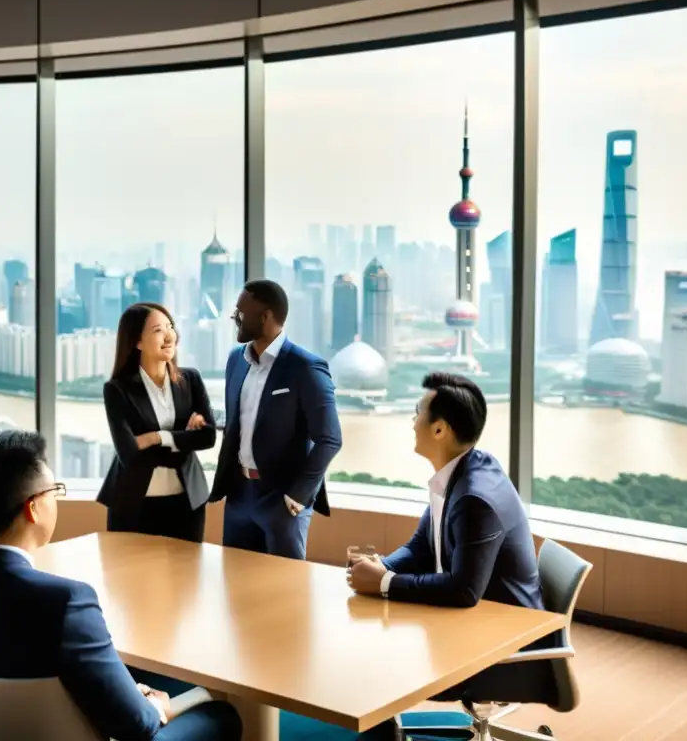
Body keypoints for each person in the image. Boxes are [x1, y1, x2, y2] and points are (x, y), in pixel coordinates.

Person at [0, 430, 242, 741]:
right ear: (34, 508)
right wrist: (154, 705)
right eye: (54, 492)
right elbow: (136, 726)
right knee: (222, 714)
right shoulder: (65, 602)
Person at [348, 373, 557, 738]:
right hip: (481, 623)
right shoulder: (460, 472)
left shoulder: (475, 497)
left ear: (440, 429)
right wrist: (382, 566)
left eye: (418, 413)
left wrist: (383, 583)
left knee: (377, 659)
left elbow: (464, 591)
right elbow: (420, 546)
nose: (413, 422)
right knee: (376, 642)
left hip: (504, 647)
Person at [210, 279, 342, 560]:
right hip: (239, 495)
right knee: (235, 587)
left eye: (240, 312)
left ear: (266, 316)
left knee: (285, 593)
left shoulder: (305, 367)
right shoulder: (236, 360)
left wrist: (296, 496)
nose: (235, 318)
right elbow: (238, 424)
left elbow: (330, 439)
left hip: (281, 501)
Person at [98, 303, 216, 543]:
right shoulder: (117, 390)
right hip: (135, 503)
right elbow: (128, 451)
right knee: (130, 578)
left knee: (185, 577)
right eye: (157, 330)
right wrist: (183, 439)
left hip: (187, 502)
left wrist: (157, 438)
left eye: (170, 327)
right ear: (137, 342)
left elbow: (208, 437)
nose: (169, 335)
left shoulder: (190, 379)